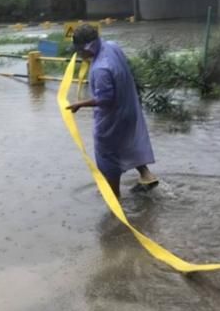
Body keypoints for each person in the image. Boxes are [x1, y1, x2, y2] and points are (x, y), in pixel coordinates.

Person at [66, 24, 158, 197]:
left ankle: (114, 197)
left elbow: (105, 100)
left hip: (112, 118)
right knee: (128, 142)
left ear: (88, 47)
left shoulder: (101, 68)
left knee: (107, 155)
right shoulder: (112, 46)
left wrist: (80, 104)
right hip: (129, 108)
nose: (79, 54)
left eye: (79, 50)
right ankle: (146, 175)